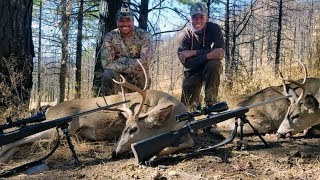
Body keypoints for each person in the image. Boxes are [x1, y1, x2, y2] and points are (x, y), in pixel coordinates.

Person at [177, 2, 225, 109]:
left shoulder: (214, 29)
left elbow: (219, 53)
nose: (198, 20)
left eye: (201, 17)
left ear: (206, 18)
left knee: (214, 64)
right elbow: (188, 63)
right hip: (192, 71)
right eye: (195, 17)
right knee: (187, 108)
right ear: (190, 18)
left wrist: (194, 53)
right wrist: (210, 54)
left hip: (209, 67)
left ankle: (211, 104)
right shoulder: (184, 35)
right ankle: (194, 111)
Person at [100, 6, 153, 96]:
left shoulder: (144, 36)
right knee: (108, 74)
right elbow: (107, 64)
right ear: (117, 22)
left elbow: (145, 63)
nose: (125, 24)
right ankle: (108, 107)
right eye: (121, 20)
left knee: (138, 105)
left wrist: (119, 60)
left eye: (128, 20)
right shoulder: (110, 37)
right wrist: (134, 64)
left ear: (133, 21)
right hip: (118, 77)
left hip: (139, 78)